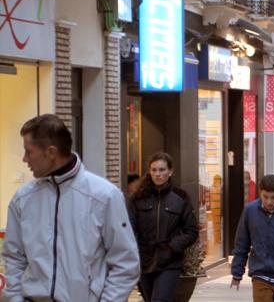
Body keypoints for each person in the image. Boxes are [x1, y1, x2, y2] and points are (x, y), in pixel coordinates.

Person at [3, 114, 140, 301]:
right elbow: (14, 258)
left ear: (51, 152)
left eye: (29, 151)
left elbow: (125, 263)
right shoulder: (22, 200)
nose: (24, 159)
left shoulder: (104, 196)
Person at [128, 152, 199, 302]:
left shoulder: (181, 197)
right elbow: (129, 228)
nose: (157, 174)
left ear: (170, 171)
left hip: (169, 261)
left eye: (161, 170)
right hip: (144, 260)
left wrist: (173, 247)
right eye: (154, 170)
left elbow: (191, 231)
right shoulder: (138, 198)